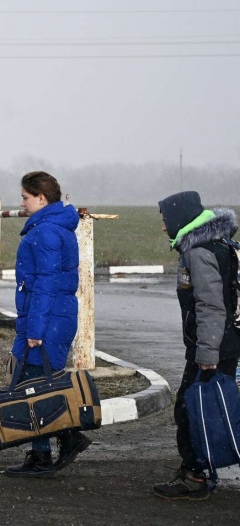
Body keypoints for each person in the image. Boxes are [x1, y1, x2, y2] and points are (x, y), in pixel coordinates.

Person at [152, 191, 240, 500]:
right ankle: (200, 471)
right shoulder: (217, 243)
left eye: (165, 219)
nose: (163, 227)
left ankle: (195, 476)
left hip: (214, 345)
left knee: (192, 411)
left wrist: (206, 354)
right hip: (224, 341)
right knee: (210, 409)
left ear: (178, 218)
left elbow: (211, 306)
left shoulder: (199, 251)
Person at [3, 171, 89, 478]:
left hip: (47, 321)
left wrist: (35, 331)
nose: (22, 202)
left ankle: (49, 450)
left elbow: (45, 285)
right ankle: (57, 443)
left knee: (33, 389)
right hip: (54, 317)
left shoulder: (45, 233)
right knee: (39, 386)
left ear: (42, 198)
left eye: (25, 197)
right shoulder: (54, 228)